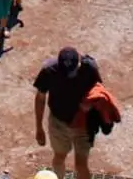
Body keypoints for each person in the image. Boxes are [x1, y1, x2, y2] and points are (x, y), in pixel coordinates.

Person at [34, 47, 102, 179]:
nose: (69, 75)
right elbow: (40, 97)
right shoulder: (49, 71)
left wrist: (91, 103)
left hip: (83, 125)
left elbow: (99, 90)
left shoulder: (90, 68)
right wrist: (39, 127)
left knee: (81, 165)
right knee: (59, 157)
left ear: (79, 63)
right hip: (58, 123)